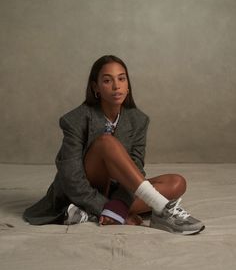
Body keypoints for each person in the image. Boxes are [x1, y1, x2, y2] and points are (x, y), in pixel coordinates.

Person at [23, 55, 205, 235]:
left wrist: (118, 204)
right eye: (107, 80)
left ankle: (94, 214)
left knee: (176, 183)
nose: (116, 86)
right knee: (106, 142)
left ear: (128, 85)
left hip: (115, 191)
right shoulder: (75, 120)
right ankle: (162, 209)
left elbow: (136, 168)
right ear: (96, 87)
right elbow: (71, 179)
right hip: (78, 192)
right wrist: (109, 209)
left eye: (122, 79)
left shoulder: (139, 120)